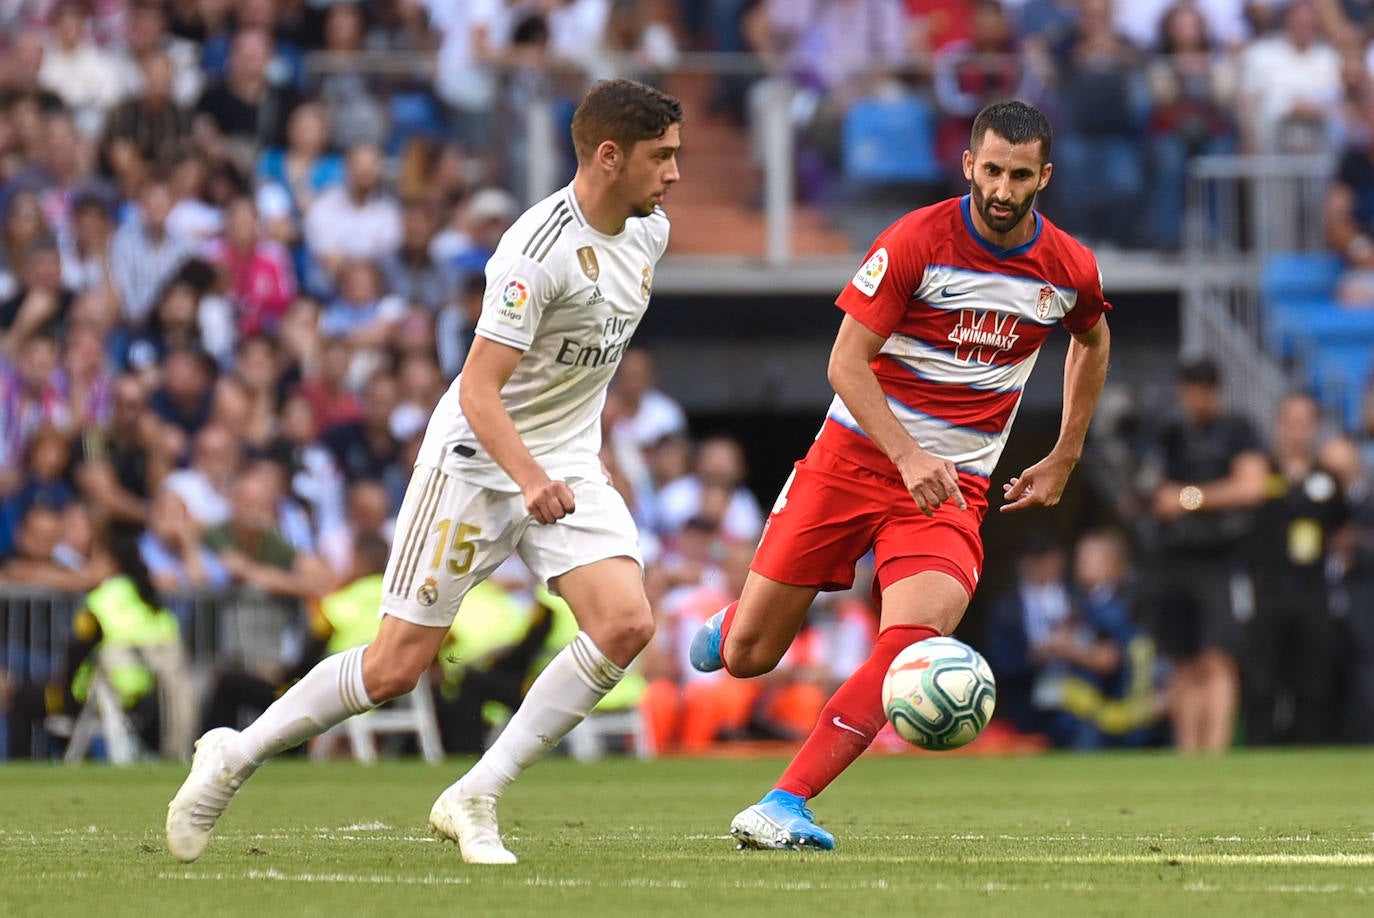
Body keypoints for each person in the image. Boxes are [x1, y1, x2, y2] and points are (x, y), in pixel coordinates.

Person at [165, 77, 683, 865]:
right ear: (609, 157)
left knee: (626, 623)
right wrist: (528, 478)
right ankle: (234, 753)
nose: (674, 175)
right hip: (476, 461)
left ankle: (476, 792)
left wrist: (559, 466)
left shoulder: (650, 234)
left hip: (567, 461)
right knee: (394, 667)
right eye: (661, 157)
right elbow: (477, 388)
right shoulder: (532, 254)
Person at [689, 100, 1112, 850]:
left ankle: (785, 800)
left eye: (1020, 175)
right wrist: (908, 454)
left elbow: (1092, 338)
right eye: (992, 171)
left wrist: (1066, 453)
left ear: (1043, 175)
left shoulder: (1068, 265)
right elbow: (844, 364)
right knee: (750, 658)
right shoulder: (917, 239)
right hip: (851, 460)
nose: (1004, 189)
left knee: (909, 643)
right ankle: (736, 623)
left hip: (954, 487)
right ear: (968, 166)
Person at [1147, 357, 1266, 753]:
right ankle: (1188, 758)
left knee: (1217, 659)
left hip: (1221, 558)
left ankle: (1214, 755)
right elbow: (1153, 487)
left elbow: (1252, 487)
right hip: (1176, 557)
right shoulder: (1171, 434)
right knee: (1182, 661)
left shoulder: (1238, 431)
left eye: (1198, 393)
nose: (1191, 402)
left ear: (1213, 392)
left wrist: (1189, 498)